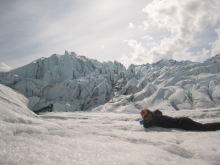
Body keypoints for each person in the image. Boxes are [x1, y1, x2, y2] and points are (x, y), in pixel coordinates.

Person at [140, 109, 220, 131]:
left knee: (204, 127)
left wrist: (144, 121)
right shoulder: (156, 116)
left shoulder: (155, 118)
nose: (146, 117)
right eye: (144, 117)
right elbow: (158, 112)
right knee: (203, 127)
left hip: (183, 123)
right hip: (183, 122)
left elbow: (146, 125)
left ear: (150, 112)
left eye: (147, 115)